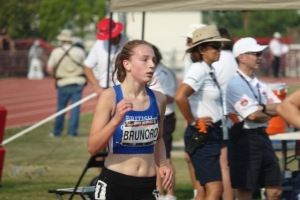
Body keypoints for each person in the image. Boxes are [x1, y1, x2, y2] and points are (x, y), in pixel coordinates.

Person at [88, 40, 173, 200]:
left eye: (153, 60)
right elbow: (92, 147)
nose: (151, 65)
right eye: (145, 59)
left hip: (148, 185)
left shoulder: (159, 99)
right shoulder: (110, 97)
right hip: (115, 184)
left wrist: (162, 163)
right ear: (127, 64)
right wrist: (116, 120)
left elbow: (159, 138)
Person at [175, 25, 230, 200]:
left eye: (220, 46)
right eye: (215, 46)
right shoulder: (199, 69)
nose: (219, 50)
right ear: (201, 49)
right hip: (202, 134)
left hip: (211, 132)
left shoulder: (209, 69)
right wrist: (192, 121)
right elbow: (180, 97)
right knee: (215, 189)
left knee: (205, 190)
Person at [226, 37, 282, 200]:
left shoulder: (259, 83)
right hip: (243, 139)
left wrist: (263, 108)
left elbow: (280, 107)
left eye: (260, 53)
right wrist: (268, 110)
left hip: (261, 136)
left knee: (275, 188)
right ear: (242, 57)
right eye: (255, 53)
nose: (260, 57)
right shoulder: (235, 83)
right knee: (246, 190)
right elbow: (253, 116)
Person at [212, 27, 237, 200]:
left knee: (223, 164)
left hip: (221, 116)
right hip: (236, 115)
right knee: (230, 163)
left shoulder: (218, 61)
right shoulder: (235, 59)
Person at [182, 23, 207, 200]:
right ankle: (198, 192)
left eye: (189, 40)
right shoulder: (195, 63)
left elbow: (180, 96)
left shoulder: (199, 66)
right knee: (191, 158)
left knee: (195, 159)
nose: (186, 44)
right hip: (196, 116)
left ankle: (199, 194)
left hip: (201, 120)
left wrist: (191, 120)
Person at [149, 45, 177, 200]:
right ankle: (159, 192)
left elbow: (170, 96)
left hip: (165, 117)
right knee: (155, 157)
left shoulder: (163, 73)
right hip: (156, 117)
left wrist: (148, 98)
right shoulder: (155, 72)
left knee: (164, 157)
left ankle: (170, 193)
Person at [47, 29, 86, 137]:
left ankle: (57, 131)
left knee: (61, 108)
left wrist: (55, 76)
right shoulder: (80, 51)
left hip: (62, 82)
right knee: (75, 109)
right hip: (78, 82)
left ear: (61, 40)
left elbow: (49, 68)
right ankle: (72, 132)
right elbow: (86, 67)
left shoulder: (56, 51)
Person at [84, 18, 128, 95]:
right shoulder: (99, 44)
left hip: (125, 88)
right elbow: (87, 67)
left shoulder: (129, 42)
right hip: (104, 88)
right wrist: (96, 86)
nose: (111, 39)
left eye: (113, 37)